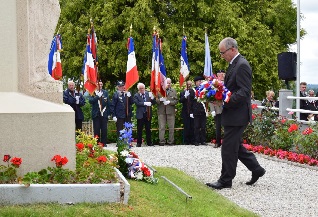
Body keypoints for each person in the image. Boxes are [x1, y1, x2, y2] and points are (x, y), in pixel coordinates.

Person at [206, 37, 265, 190]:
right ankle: (257, 169)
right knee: (235, 146)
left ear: (232, 49)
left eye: (223, 52)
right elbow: (230, 88)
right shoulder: (234, 64)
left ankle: (226, 180)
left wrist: (226, 100)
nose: (222, 56)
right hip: (233, 114)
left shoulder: (242, 65)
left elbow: (245, 92)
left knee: (227, 148)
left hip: (238, 115)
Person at [88, 81, 111, 147]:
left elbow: (108, 103)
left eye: (101, 84)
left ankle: (104, 143)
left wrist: (109, 113)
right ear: (96, 85)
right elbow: (90, 101)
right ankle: (97, 143)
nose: (100, 85)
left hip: (104, 113)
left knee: (104, 129)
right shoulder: (93, 92)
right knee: (97, 129)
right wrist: (97, 97)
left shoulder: (105, 92)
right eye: (99, 84)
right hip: (96, 114)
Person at [156, 78, 178, 146]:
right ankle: (161, 142)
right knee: (162, 127)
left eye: (169, 83)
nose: (168, 84)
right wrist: (160, 100)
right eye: (167, 83)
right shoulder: (159, 90)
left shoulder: (173, 91)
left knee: (171, 128)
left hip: (170, 111)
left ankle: (171, 141)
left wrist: (170, 102)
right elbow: (155, 100)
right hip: (162, 111)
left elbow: (176, 101)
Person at [133, 83, 156, 147]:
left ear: (144, 88)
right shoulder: (136, 95)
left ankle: (149, 142)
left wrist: (152, 97)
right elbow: (137, 103)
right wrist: (145, 103)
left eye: (143, 88)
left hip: (147, 114)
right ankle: (139, 143)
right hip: (140, 114)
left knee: (148, 129)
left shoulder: (148, 94)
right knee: (139, 129)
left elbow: (154, 102)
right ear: (138, 89)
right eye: (140, 88)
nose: (142, 89)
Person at [209, 70, 225, 148]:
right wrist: (212, 110)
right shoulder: (214, 85)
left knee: (227, 127)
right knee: (218, 126)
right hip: (218, 109)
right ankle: (218, 142)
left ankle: (226, 143)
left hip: (227, 108)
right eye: (219, 75)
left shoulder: (228, 83)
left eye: (222, 75)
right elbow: (210, 98)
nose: (221, 76)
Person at [190, 75, 207, 146]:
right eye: (199, 81)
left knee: (203, 126)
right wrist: (191, 112)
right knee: (196, 126)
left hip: (203, 110)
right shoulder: (192, 90)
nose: (200, 82)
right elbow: (190, 102)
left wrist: (207, 109)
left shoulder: (204, 90)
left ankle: (203, 140)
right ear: (195, 82)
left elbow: (206, 101)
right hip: (195, 110)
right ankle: (196, 141)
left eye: (201, 81)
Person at [179, 80, 195, 145]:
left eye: (190, 84)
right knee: (186, 127)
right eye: (188, 84)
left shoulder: (193, 92)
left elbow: (194, 101)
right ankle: (186, 141)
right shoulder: (182, 92)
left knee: (192, 126)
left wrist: (193, 112)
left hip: (192, 112)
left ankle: (192, 140)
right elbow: (180, 101)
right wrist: (185, 96)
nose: (189, 86)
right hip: (185, 112)